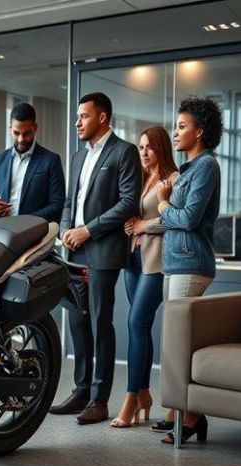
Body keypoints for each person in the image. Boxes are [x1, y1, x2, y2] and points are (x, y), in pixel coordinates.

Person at [51, 92, 142, 425]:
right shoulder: (77, 157)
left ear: (102, 118)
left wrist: (87, 230)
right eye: (77, 116)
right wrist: (64, 229)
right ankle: (80, 390)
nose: (77, 122)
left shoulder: (124, 152)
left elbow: (128, 203)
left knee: (99, 321)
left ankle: (99, 399)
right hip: (73, 250)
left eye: (83, 116)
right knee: (76, 319)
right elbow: (67, 202)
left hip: (102, 250)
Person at [153, 96, 224, 445]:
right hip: (177, 264)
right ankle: (188, 414)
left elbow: (188, 219)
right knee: (176, 344)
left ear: (200, 131)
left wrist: (164, 203)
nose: (176, 132)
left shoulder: (207, 166)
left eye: (182, 126)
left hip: (191, 263)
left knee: (179, 346)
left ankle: (190, 417)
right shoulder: (188, 170)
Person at [113, 126, 179, 428]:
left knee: (136, 323)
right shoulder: (139, 179)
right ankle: (144, 394)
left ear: (161, 149)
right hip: (132, 260)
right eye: (141, 147)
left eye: (149, 147)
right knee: (142, 326)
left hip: (155, 263)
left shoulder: (173, 181)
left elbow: (175, 220)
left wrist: (143, 226)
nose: (143, 152)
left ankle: (129, 399)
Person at [0, 102, 65, 223]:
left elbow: (57, 205)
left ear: (35, 128)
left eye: (27, 133)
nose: (21, 139)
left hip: (33, 234)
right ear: (10, 130)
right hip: (2, 233)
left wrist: (23, 221)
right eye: (16, 133)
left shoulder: (51, 160)